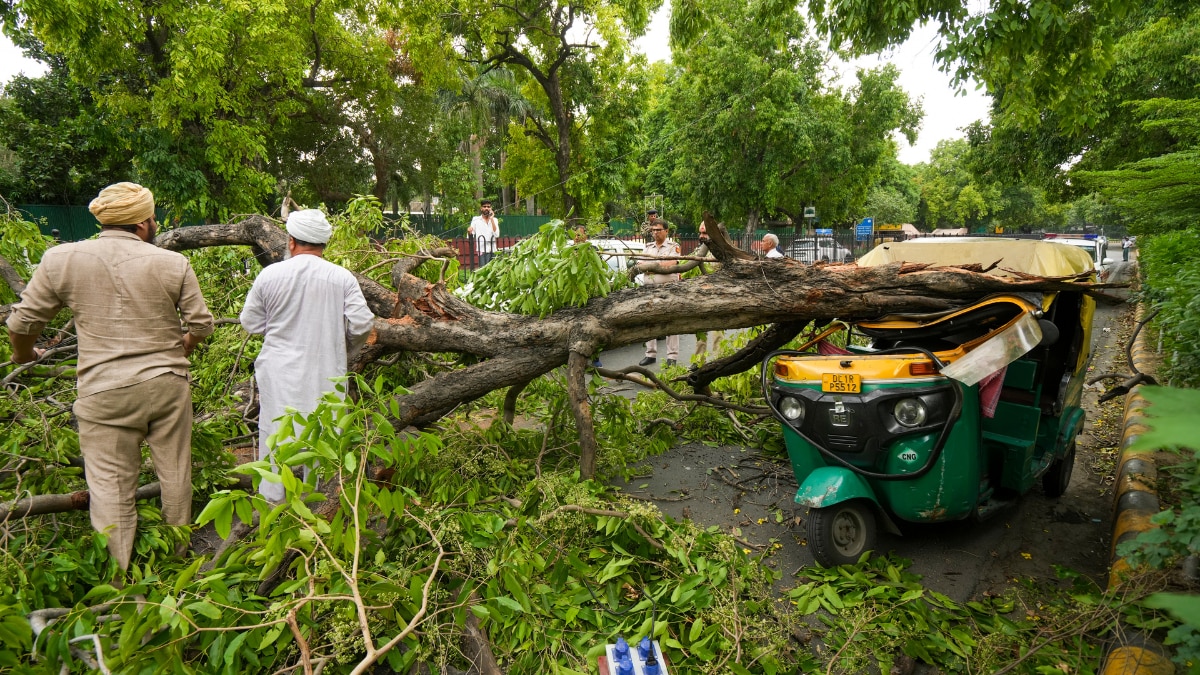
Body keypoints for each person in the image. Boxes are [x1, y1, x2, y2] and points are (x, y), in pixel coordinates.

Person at [6, 182, 214, 573]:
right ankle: (179, 560)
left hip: (103, 390)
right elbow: (202, 325)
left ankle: (118, 582)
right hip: (168, 382)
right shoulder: (171, 263)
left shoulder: (62, 259)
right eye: (152, 217)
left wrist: (24, 356)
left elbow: (23, 321)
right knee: (175, 472)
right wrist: (181, 348)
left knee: (110, 488)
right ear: (142, 222)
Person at [240, 209, 375, 502]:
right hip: (325, 367)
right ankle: (321, 501)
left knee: (275, 431)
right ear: (324, 244)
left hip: (278, 371)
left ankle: (275, 503)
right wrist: (346, 347)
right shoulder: (341, 277)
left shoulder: (270, 275)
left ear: (291, 241)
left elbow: (250, 322)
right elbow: (363, 323)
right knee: (324, 432)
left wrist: (278, 329)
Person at [639, 218, 681, 367]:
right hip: (649, 290)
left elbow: (672, 263)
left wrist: (653, 266)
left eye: (658, 230)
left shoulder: (673, 247)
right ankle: (650, 354)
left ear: (666, 231)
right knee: (649, 321)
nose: (655, 233)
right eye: (653, 230)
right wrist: (657, 266)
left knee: (670, 322)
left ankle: (672, 357)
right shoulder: (648, 247)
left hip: (668, 290)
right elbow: (641, 265)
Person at [468, 200, 500, 265]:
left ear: (490, 208)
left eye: (488, 207)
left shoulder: (495, 220)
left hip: (493, 250)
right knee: (483, 270)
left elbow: (497, 235)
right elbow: (470, 235)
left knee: (493, 271)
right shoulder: (476, 219)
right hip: (482, 250)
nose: (486, 208)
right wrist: (469, 231)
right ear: (481, 208)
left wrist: (492, 219)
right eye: (484, 206)